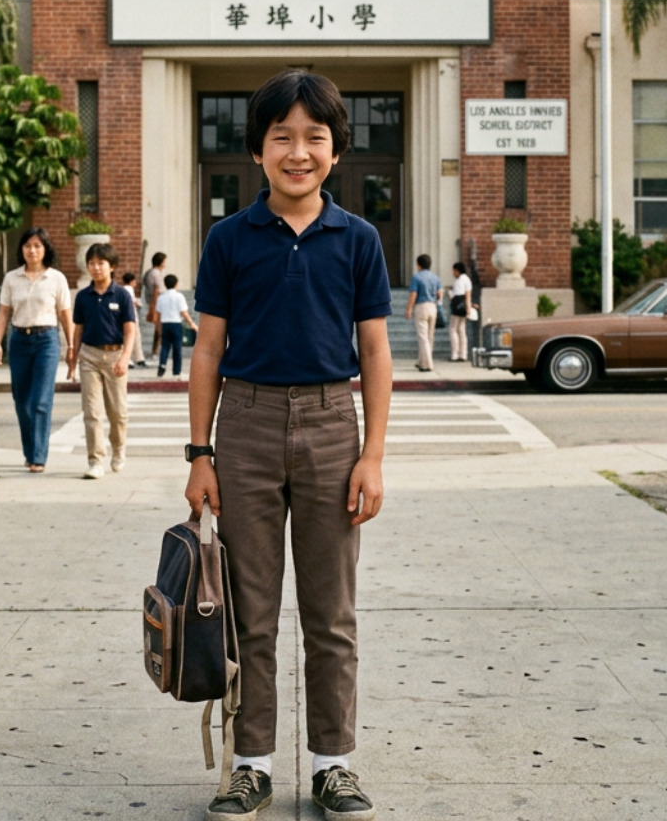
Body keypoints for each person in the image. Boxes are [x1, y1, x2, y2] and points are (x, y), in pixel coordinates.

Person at [186, 69, 391, 821]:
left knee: (331, 613)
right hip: (243, 426)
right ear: (259, 150)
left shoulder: (358, 239)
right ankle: (251, 765)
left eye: (314, 138)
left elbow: (374, 351)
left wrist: (371, 454)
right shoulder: (229, 239)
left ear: (336, 152)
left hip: (334, 427)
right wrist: (199, 454)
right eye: (282, 138)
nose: (298, 152)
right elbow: (208, 350)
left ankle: (334, 764)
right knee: (249, 611)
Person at [0, 227, 73, 473]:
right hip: (19, 341)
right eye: (28, 246)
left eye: (37, 246)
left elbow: (65, 314)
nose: (32, 250)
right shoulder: (12, 278)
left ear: (45, 249)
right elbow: (4, 312)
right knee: (22, 401)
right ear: (22, 249)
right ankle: (30, 451)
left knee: (40, 401)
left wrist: (71, 347)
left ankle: (38, 456)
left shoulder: (56, 278)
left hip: (46, 340)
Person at [67, 242, 135, 480]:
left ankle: (119, 449)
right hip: (89, 356)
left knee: (117, 412)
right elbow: (78, 329)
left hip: (116, 356)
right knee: (92, 412)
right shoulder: (83, 297)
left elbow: (130, 330)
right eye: (91, 263)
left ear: (112, 266)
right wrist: (73, 359)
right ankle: (95, 460)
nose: (95, 268)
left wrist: (125, 358)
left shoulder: (122, 295)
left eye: (100, 263)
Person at [403, 253, 443, 372]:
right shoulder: (436, 278)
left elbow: (413, 294)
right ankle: (422, 361)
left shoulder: (416, 277)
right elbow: (440, 293)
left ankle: (427, 364)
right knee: (430, 336)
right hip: (433, 306)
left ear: (419, 265)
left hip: (421, 306)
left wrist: (409, 308)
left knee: (422, 336)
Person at [154, 273, 195, 377]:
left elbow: (158, 315)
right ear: (176, 284)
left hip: (165, 323)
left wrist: (158, 328)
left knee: (165, 347)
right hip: (176, 323)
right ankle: (176, 371)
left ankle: (162, 365)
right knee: (177, 348)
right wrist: (191, 323)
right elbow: (184, 312)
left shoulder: (161, 297)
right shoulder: (179, 296)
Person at [143, 251, 167, 364]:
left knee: (159, 330)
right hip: (158, 304)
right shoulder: (155, 273)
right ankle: (157, 352)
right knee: (160, 330)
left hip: (157, 303)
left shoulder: (152, 272)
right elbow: (157, 290)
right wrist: (153, 308)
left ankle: (155, 352)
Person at [447, 261, 473, 362]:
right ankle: (463, 354)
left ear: (457, 270)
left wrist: (450, 292)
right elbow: (468, 295)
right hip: (464, 307)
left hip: (457, 307)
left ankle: (455, 353)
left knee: (453, 330)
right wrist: (468, 308)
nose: (453, 273)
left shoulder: (458, 281)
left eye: (454, 271)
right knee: (462, 330)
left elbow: (455, 295)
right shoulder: (467, 280)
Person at [122, 272, 147, 368]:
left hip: (127, 317)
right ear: (131, 281)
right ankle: (136, 359)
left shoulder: (123, 289)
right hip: (131, 316)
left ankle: (135, 358)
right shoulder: (129, 289)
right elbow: (132, 301)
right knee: (134, 337)